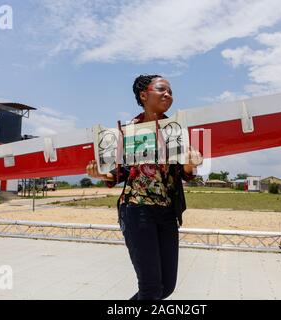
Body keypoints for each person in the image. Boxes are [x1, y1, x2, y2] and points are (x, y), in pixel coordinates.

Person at [86, 74, 203, 300]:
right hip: (137, 209)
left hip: (168, 212)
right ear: (143, 95)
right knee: (151, 289)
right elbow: (118, 172)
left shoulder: (177, 129)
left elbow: (184, 172)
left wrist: (190, 165)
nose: (168, 94)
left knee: (165, 287)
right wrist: (101, 174)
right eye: (161, 89)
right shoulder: (128, 131)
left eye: (170, 91)